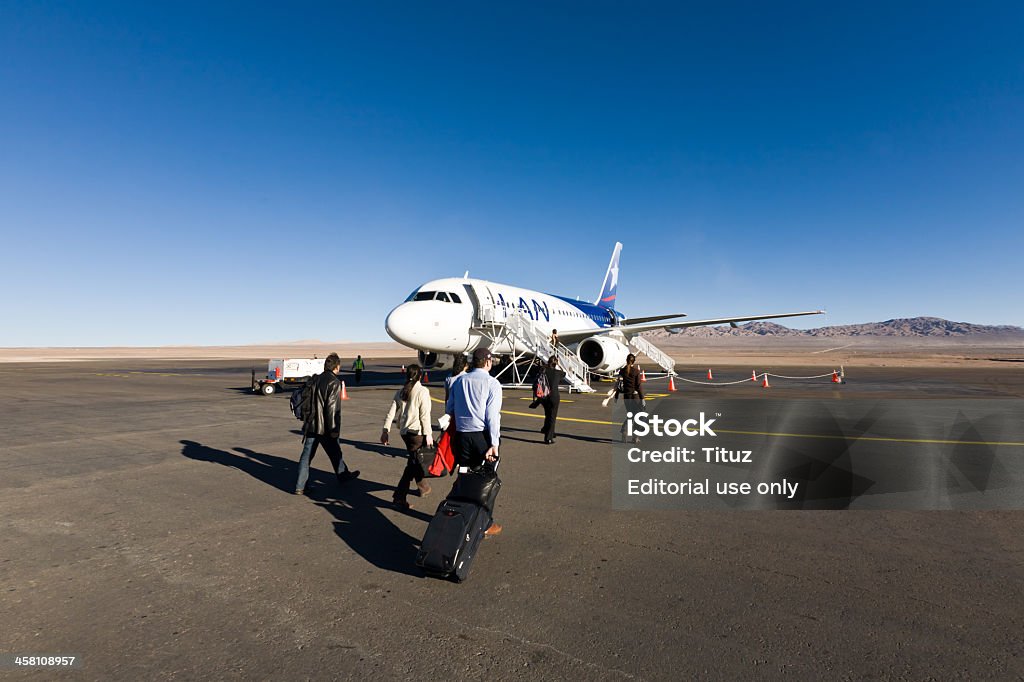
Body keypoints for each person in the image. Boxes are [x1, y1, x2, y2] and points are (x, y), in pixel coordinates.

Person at [445, 347, 503, 537]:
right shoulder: (492, 383)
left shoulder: (459, 381)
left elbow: (450, 408)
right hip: (481, 437)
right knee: (485, 480)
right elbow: (492, 416)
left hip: (462, 436)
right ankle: (484, 523)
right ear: (488, 362)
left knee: (464, 476)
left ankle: (457, 513)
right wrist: (494, 443)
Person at [295, 353, 359, 494]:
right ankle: (343, 476)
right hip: (324, 428)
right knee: (335, 451)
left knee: (307, 456)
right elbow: (331, 408)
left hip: (311, 424)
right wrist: (334, 429)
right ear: (337, 366)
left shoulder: (315, 379)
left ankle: (300, 486)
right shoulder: (334, 382)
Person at [380, 364, 433, 509]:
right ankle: (399, 497)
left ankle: (423, 487)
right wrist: (428, 434)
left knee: (415, 460)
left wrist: (386, 430)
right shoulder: (422, 391)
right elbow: (425, 415)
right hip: (417, 434)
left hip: (405, 433)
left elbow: (391, 412)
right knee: (412, 465)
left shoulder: (401, 392)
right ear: (420, 376)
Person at [533, 356, 565, 444]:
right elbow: (564, 374)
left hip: (543, 396)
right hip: (553, 397)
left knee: (548, 414)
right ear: (556, 364)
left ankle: (548, 430)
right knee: (552, 417)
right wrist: (559, 366)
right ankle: (548, 437)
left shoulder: (543, 371)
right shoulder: (558, 373)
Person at [615, 353, 644, 444]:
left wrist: (616, 396)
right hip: (635, 397)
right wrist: (642, 398)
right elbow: (638, 386)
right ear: (634, 361)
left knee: (631, 415)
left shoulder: (622, 371)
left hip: (626, 396)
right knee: (638, 416)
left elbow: (618, 385)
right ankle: (635, 437)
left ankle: (624, 431)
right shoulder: (636, 371)